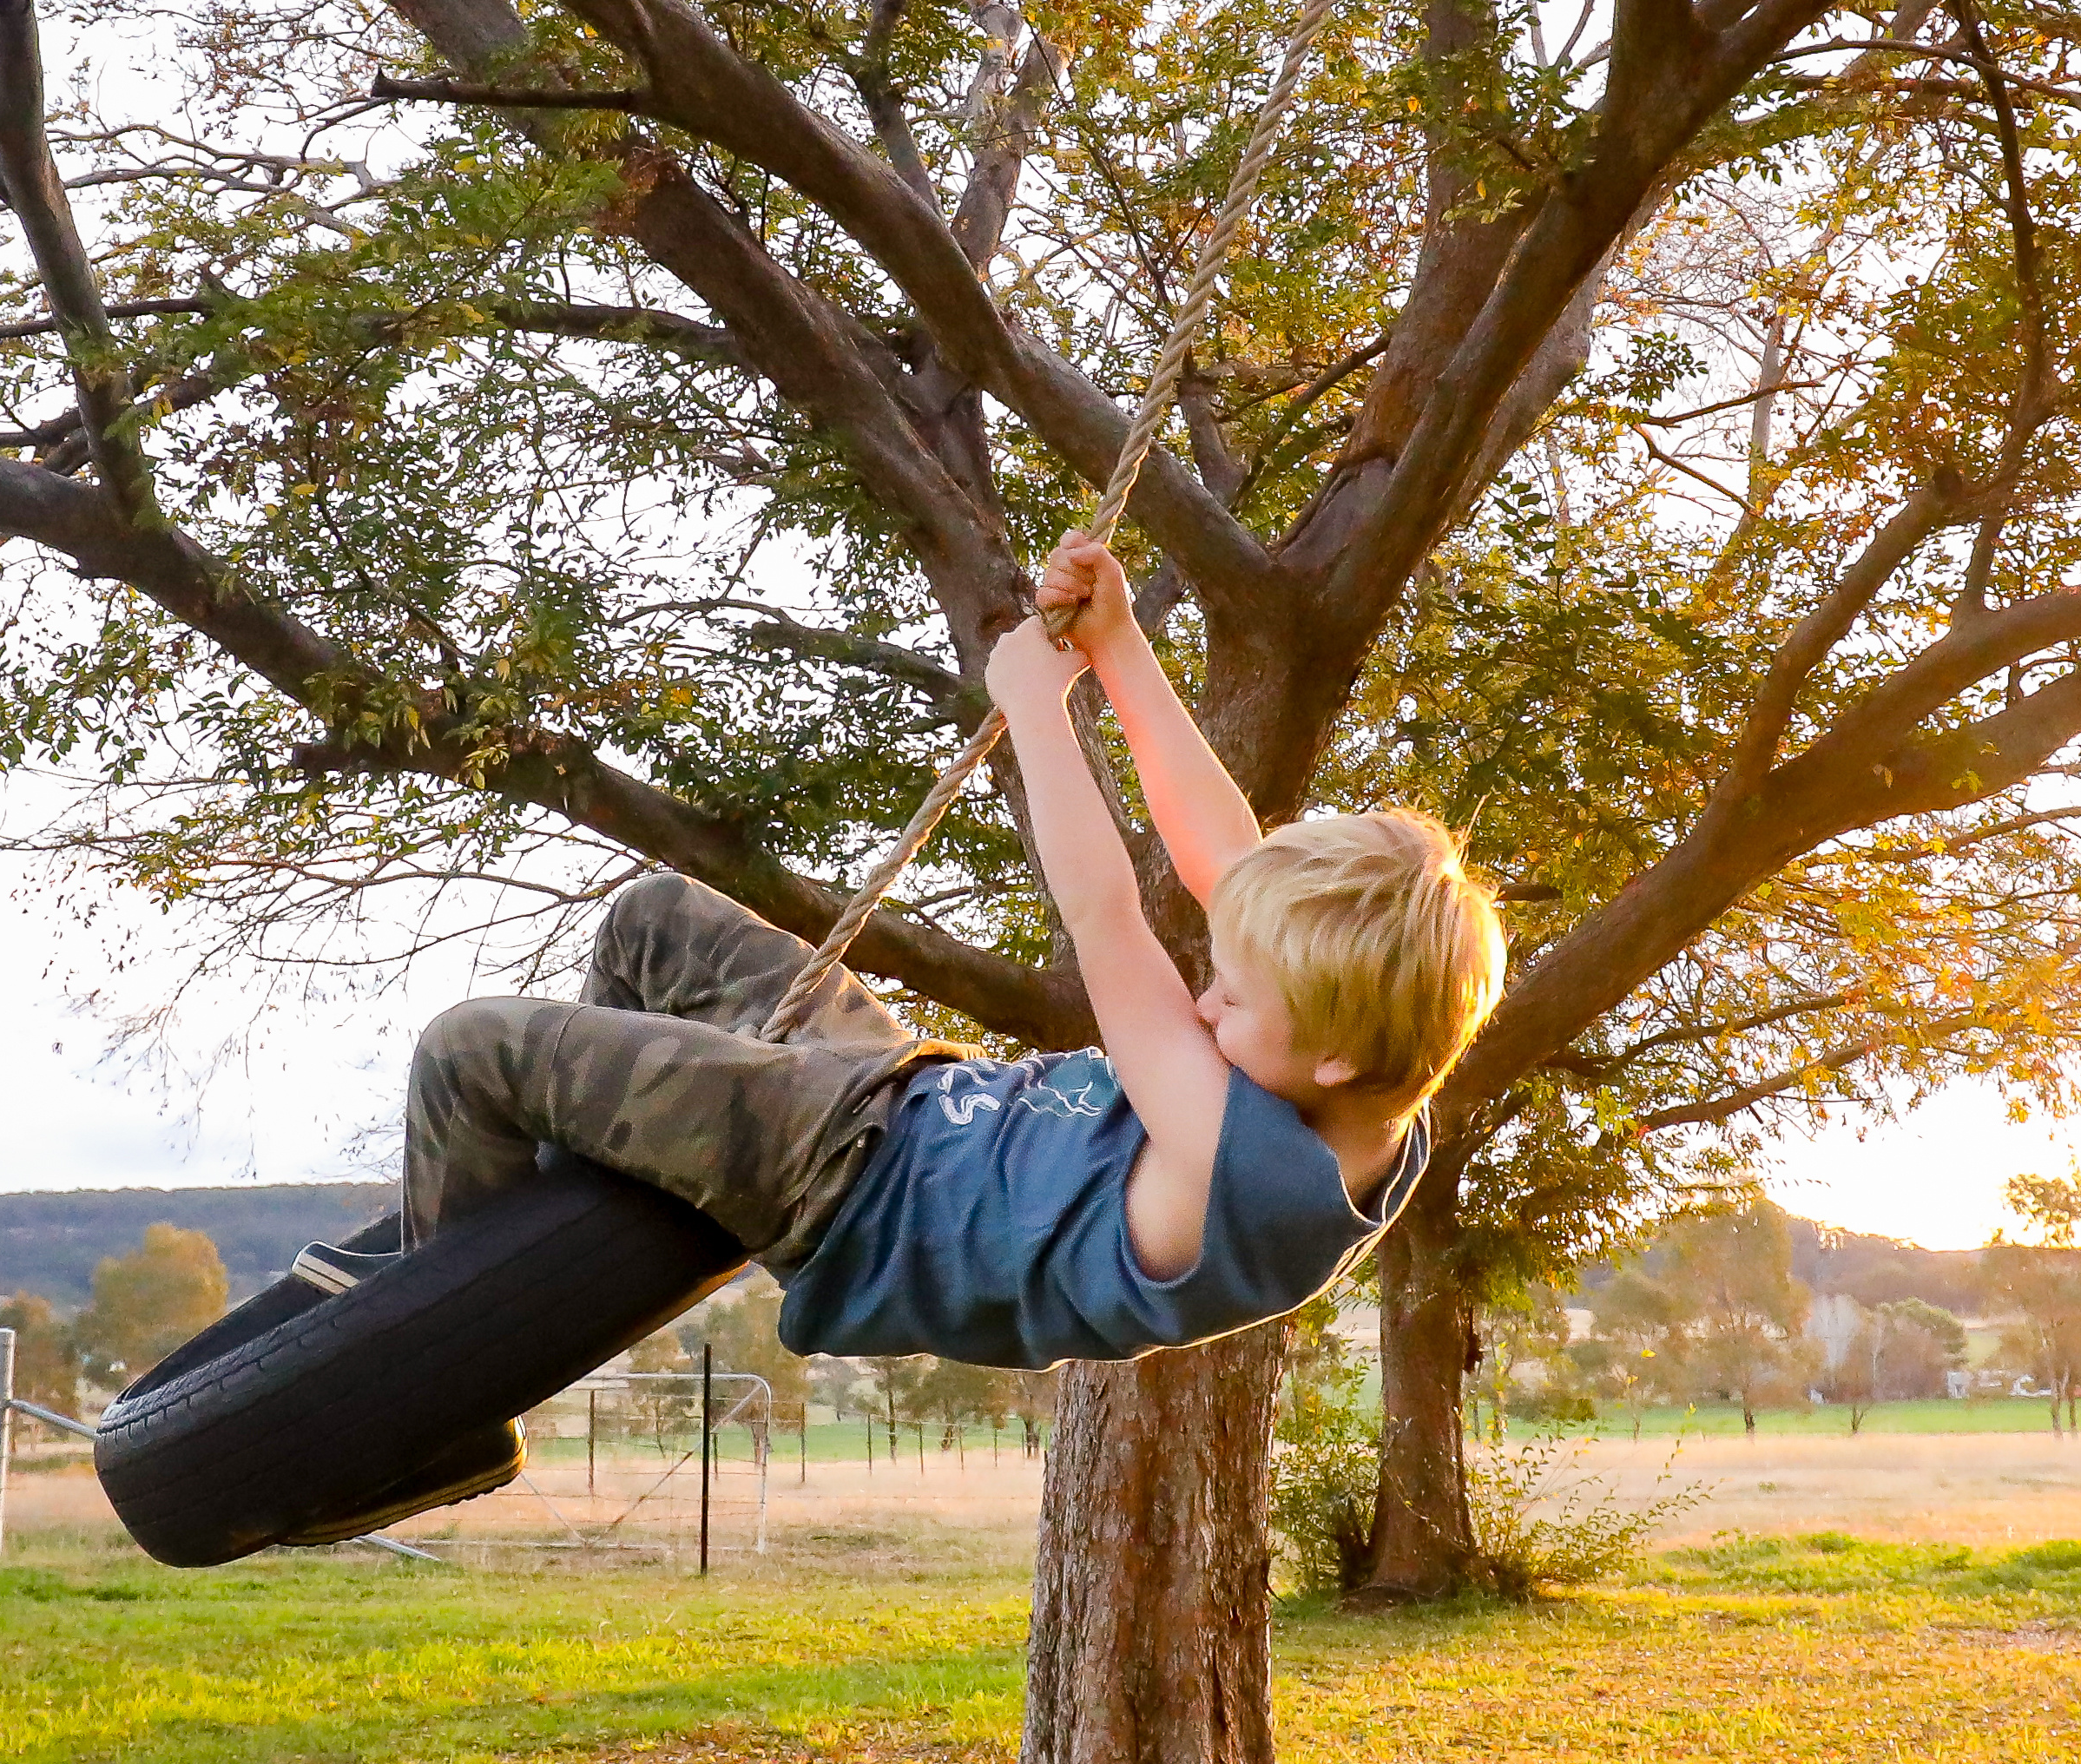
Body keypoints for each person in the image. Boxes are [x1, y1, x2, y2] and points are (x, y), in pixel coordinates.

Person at [310, 534, 1503, 1367]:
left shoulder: (1257, 1178)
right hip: (897, 1101)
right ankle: (528, 1237)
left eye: (1230, 999)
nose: (1202, 1005)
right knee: (651, 921)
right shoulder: (1367, 1067)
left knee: (471, 1051)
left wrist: (1040, 707)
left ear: (1338, 1057)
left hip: (851, 1196)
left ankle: (428, 1362)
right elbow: (1220, 859)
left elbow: (1108, 922)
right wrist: (1122, 652)